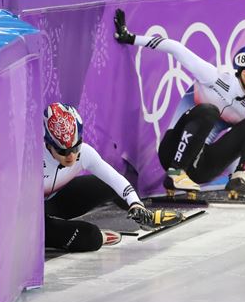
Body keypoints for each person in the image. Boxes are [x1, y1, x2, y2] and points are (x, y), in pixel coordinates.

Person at [113, 9, 245, 198]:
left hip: (202, 168)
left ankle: (240, 178)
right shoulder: (213, 77)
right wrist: (131, 38)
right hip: (172, 150)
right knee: (209, 111)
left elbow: (237, 147)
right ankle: (176, 173)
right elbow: (175, 48)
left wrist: (237, 173)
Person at [43, 102, 182, 252]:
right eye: (63, 151)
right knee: (92, 238)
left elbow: (115, 179)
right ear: (48, 145)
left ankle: (143, 220)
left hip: (55, 200)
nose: (71, 156)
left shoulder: (85, 153)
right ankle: (97, 237)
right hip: (31, 218)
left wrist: (136, 204)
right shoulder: (32, 160)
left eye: (75, 147)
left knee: (110, 186)